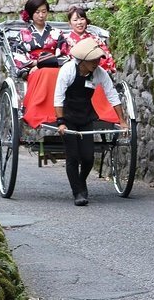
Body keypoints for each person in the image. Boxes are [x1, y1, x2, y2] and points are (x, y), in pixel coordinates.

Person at [54, 37, 128, 206]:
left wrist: (122, 121)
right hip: (68, 117)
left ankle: (81, 182)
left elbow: (112, 96)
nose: (97, 62)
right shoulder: (68, 70)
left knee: (87, 158)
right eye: (93, 60)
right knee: (73, 156)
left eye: (98, 59)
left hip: (86, 116)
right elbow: (58, 97)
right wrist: (60, 122)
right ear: (83, 60)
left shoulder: (100, 73)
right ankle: (77, 193)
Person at [12, 0, 68, 78]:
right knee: (39, 74)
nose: (41, 15)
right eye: (37, 12)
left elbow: (65, 55)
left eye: (44, 12)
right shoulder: (22, 34)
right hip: (32, 69)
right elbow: (18, 56)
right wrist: (37, 64)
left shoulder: (57, 33)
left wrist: (45, 63)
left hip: (54, 68)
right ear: (31, 13)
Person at [63, 6, 116, 73]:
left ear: (86, 20)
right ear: (70, 23)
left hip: (97, 72)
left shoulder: (95, 39)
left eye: (82, 19)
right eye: (75, 20)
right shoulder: (65, 40)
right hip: (73, 74)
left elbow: (106, 56)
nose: (79, 22)